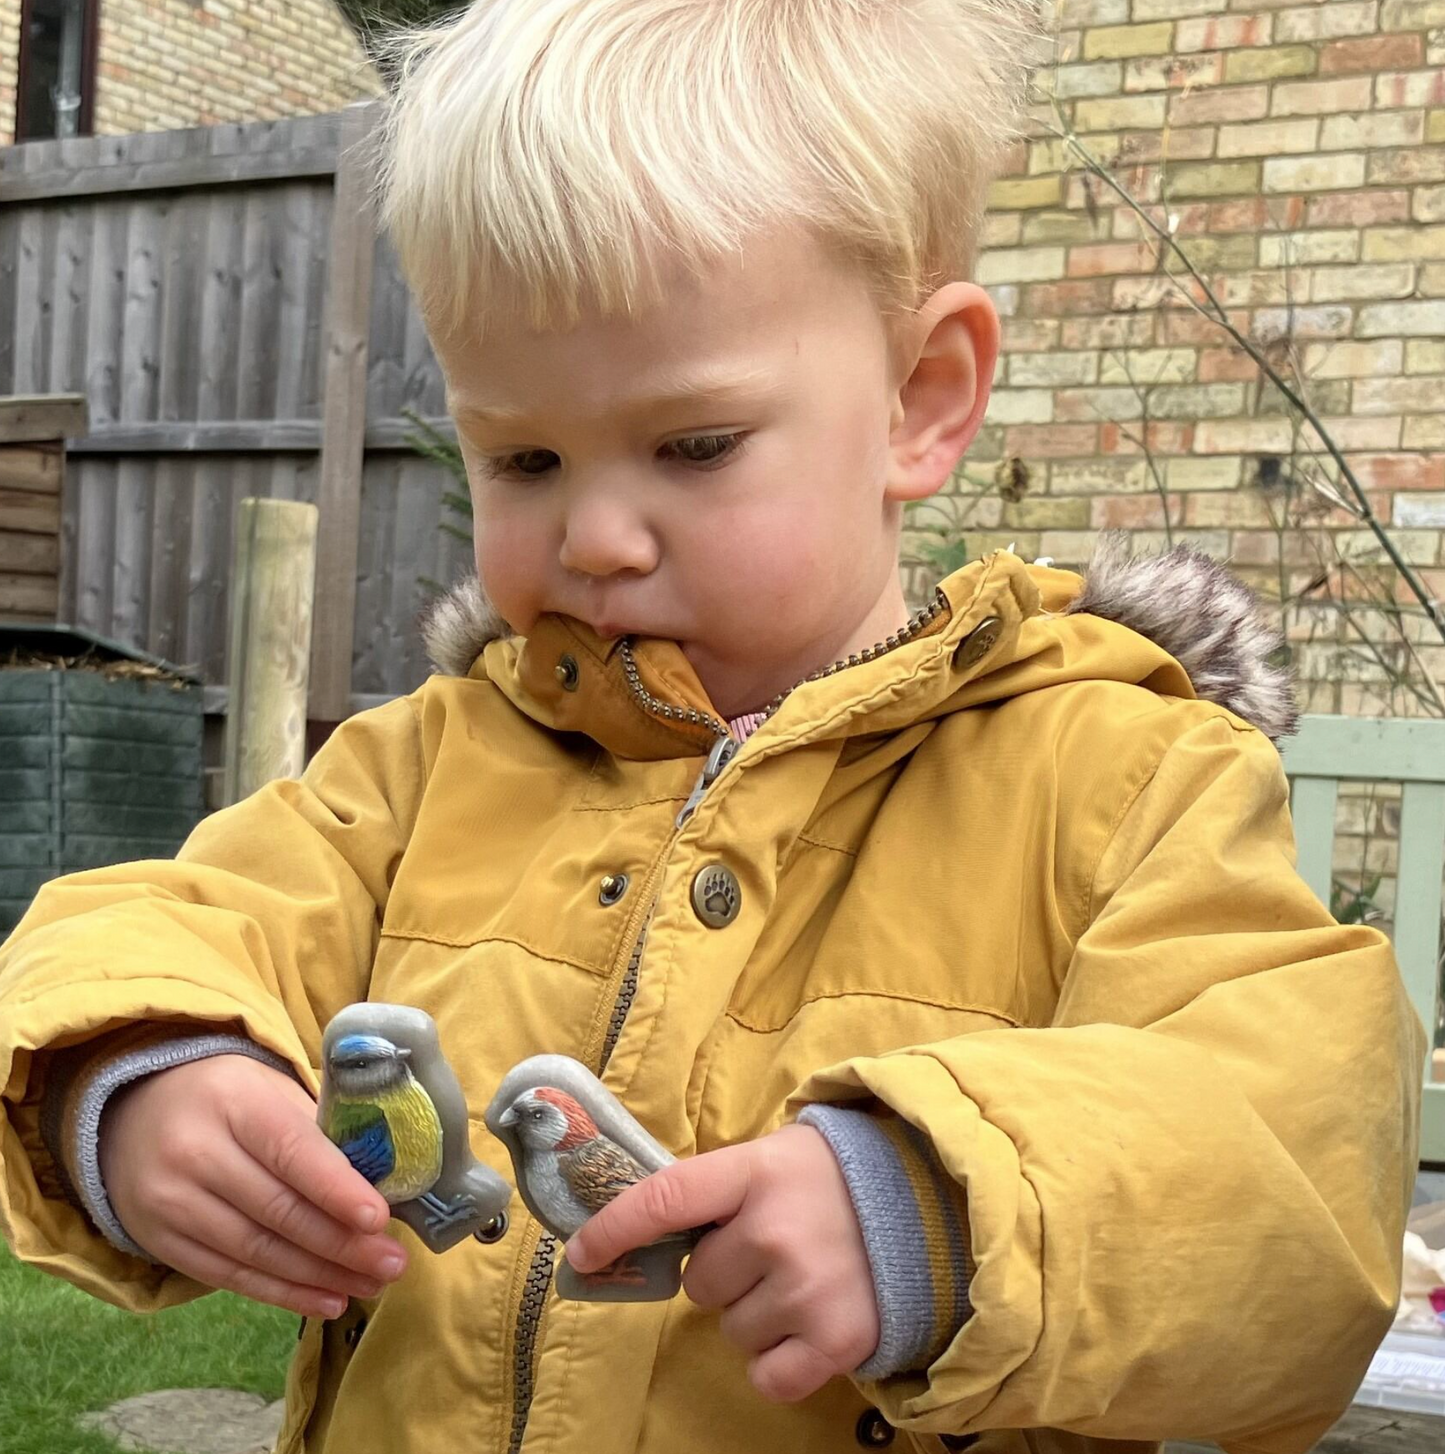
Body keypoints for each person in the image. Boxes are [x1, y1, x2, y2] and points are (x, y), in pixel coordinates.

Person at [0, 3, 1424, 1453]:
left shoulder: (1116, 781)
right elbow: (172, 916)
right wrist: (141, 1074)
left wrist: (939, 1202)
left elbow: (1301, 1158)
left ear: (920, 400)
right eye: (525, 456)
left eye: (694, 446)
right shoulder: (429, 765)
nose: (599, 534)